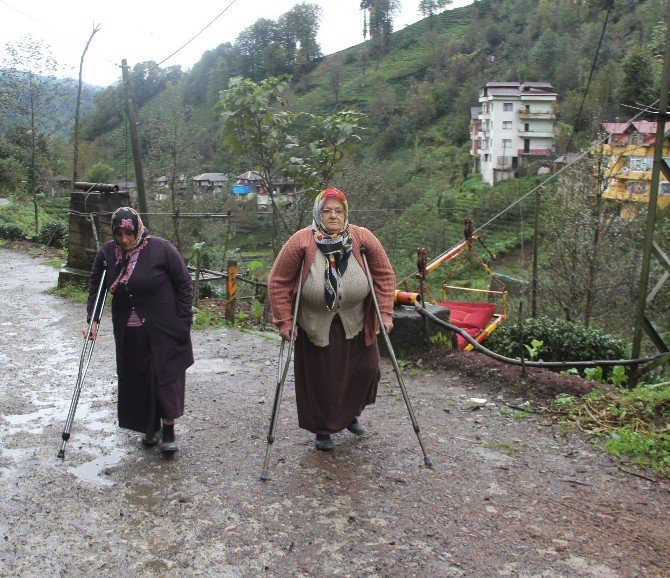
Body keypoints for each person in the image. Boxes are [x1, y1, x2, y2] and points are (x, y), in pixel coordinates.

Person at [268, 188, 395, 451]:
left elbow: (384, 275)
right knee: (322, 380)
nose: (333, 216)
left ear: (346, 213)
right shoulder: (302, 241)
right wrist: (284, 320)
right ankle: (323, 430)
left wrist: (384, 313)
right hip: (316, 323)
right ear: (318, 212)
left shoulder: (361, 237)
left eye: (339, 211)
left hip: (356, 321)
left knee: (369, 370)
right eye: (327, 211)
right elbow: (278, 282)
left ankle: (349, 414)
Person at [85, 207, 194, 455]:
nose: (124, 239)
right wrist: (93, 319)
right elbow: (97, 288)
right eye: (119, 233)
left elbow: (184, 284)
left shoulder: (161, 248)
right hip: (129, 332)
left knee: (164, 378)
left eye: (129, 233)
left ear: (138, 229)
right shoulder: (106, 254)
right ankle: (150, 427)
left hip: (163, 328)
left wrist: (183, 322)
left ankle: (168, 430)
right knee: (138, 379)